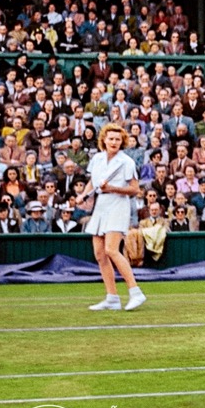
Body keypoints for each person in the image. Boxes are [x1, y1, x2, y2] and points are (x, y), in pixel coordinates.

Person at [83, 123, 147, 311]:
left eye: (118, 139)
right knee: (99, 254)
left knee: (111, 249)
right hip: (101, 206)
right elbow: (91, 182)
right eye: (111, 139)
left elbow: (135, 189)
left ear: (122, 142)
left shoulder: (127, 162)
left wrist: (112, 188)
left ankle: (136, 292)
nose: (114, 142)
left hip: (118, 205)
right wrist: (83, 195)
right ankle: (112, 298)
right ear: (104, 140)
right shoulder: (97, 159)